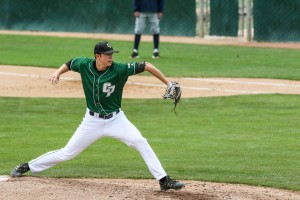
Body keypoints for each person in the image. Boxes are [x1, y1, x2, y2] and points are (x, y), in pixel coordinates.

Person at [11, 41, 185, 191]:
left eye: (111, 53)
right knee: (67, 153)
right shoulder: (85, 65)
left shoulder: (120, 69)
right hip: (91, 122)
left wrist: (168, 83)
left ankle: (164, 180)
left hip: (116, 120)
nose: (110, 57)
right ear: (97, 56)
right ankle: (28, 166)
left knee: (140, 141)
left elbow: (147, 65)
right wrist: (57, 72)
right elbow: (70, 63)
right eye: (107, 54)